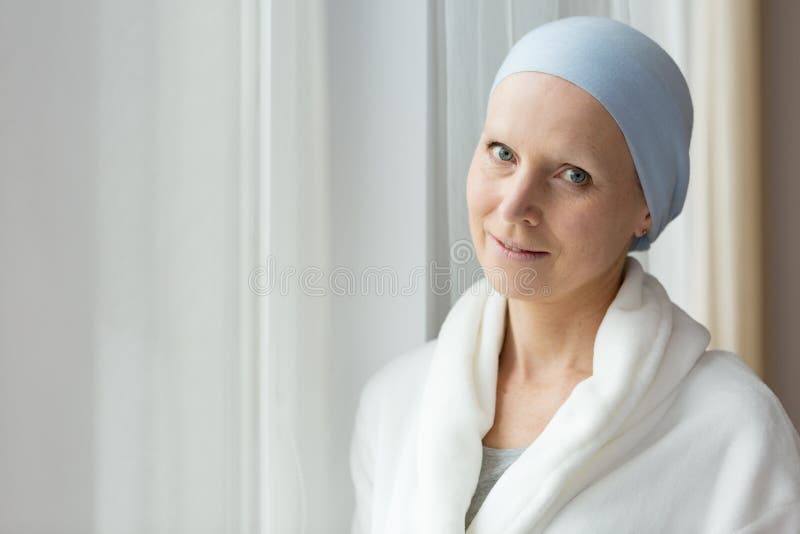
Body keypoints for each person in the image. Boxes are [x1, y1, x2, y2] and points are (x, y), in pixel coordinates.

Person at [349, 16, 800, 534]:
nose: (516, 205)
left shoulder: (733, 429)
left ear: (645, 209)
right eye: (503, 153)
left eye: (573, 176)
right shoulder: (395, 403)